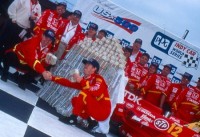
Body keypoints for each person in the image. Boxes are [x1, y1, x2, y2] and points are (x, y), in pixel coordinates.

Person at [49, 58, 111, 136]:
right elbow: (69, 83)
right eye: (85, 64)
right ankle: (91, 122)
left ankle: (73, 119)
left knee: (84, 93)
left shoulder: (98, 78)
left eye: (88, 65)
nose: (85, 66)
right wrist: (52, 78)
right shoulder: (85, 80)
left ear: (94, 69)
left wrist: (81, 80)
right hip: (95, 108)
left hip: (103, 110)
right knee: (75, 100)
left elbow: (95, 91)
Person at [0, 0, 41, 64]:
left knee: (11, 46)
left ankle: (3, 61)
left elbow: (39, 19)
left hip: (23, 30)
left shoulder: (38, 6)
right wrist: (13, 18)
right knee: (2, 40)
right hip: (14, 25)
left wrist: (35, 18)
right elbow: (12, 7)